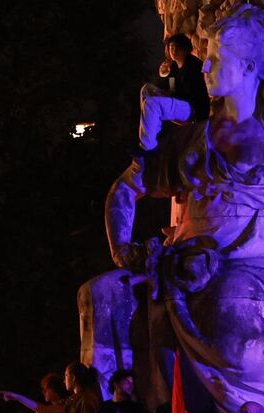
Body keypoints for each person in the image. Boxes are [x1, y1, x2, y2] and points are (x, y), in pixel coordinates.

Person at [104, 32, 209, 267]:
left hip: (192, 112)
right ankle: (149, 145)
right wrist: (166, 74)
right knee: (147, 91)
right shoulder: (176, 69)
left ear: (183, 48)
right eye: (169, 48)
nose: (171, 52)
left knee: (153, 103)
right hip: (179, 120)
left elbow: (193, 96)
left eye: (174, 48)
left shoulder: (193, 66)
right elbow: (170, 91)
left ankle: (146, 148)